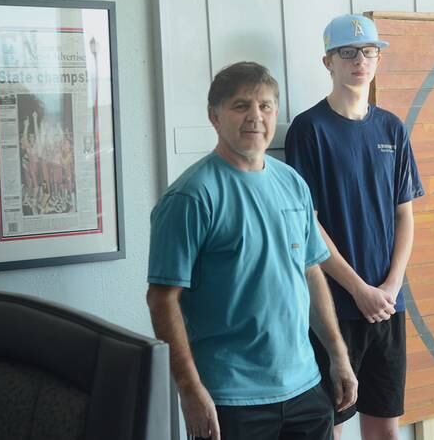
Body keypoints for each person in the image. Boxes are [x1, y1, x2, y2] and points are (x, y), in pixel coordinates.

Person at [146, 62, 357, 440]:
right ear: (214, 117)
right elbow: (163, 299)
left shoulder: (292, 183)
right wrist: (190, 390)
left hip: (306, 388)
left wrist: (338, 356)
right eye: (241, 106)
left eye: (265, 106)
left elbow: (310, 271)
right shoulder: (191, 197)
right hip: (231, 397)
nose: (255, 117)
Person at [285, 14, 424, 440]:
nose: (359, 61)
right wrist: (359, 290)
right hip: (334, 309)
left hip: (387, 305)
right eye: (348, 53)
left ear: (377, 58)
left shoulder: (391, 128)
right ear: (328, 61)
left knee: (385, 427)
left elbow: (405, 214)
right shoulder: (309, 130)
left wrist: (390, 286)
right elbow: (307, 225)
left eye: (368, 52)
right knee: (331, 425)